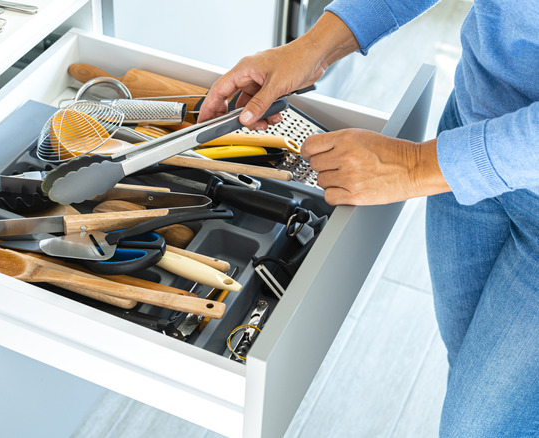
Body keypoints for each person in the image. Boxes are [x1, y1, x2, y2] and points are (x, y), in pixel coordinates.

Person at [198, 1, 538, 436]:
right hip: (472, 129)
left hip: (461, 162)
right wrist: (314, 48)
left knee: (476, 426)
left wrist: (416, 165)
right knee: (472, 367)